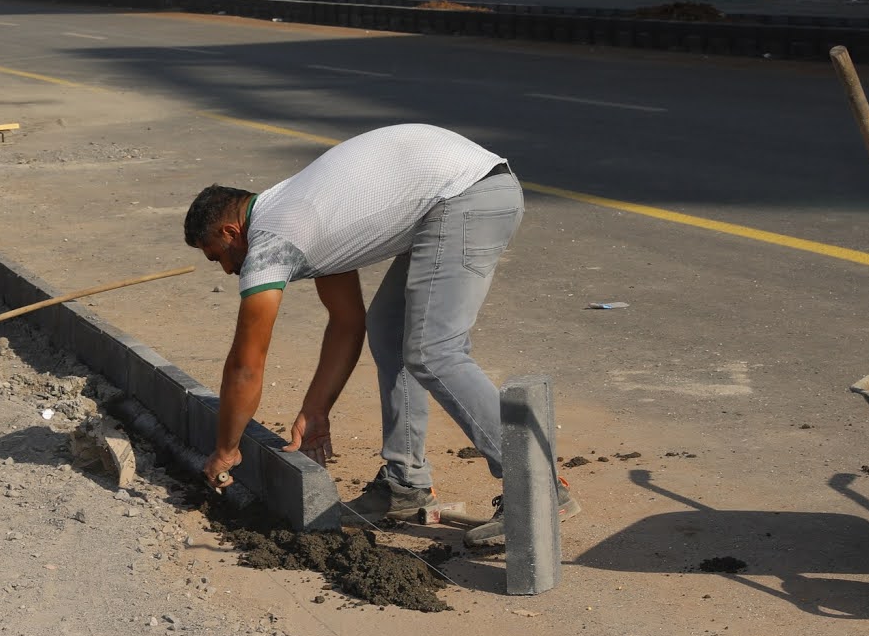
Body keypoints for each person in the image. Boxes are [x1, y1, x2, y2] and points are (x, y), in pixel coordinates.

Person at [182, 122, 576, 545]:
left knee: (433, 350)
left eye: (218, 257)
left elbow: (245, 365)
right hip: (453, 195)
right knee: (389, 331)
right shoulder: (293, 211)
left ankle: (538, 487)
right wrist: (317, 407)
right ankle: (406, 484)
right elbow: (347, 321)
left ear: (230, 232)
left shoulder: (271, 241)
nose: (227, 270)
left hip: (466, 194)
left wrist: (226, 450)